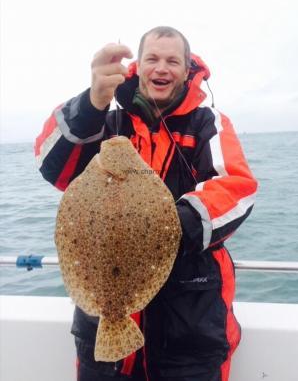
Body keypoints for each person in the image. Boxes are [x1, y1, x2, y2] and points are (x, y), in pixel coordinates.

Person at [35, 26, 257, 381]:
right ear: (138, 66)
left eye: (173, 60)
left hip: (187, 330)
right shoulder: (105, 121)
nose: (162, 68)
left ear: (187, 70)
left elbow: (236, 187)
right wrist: (91, 105)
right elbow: (53, 167)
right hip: (101, 330)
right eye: (152, 58)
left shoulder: (207, 124)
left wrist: (163, 230)